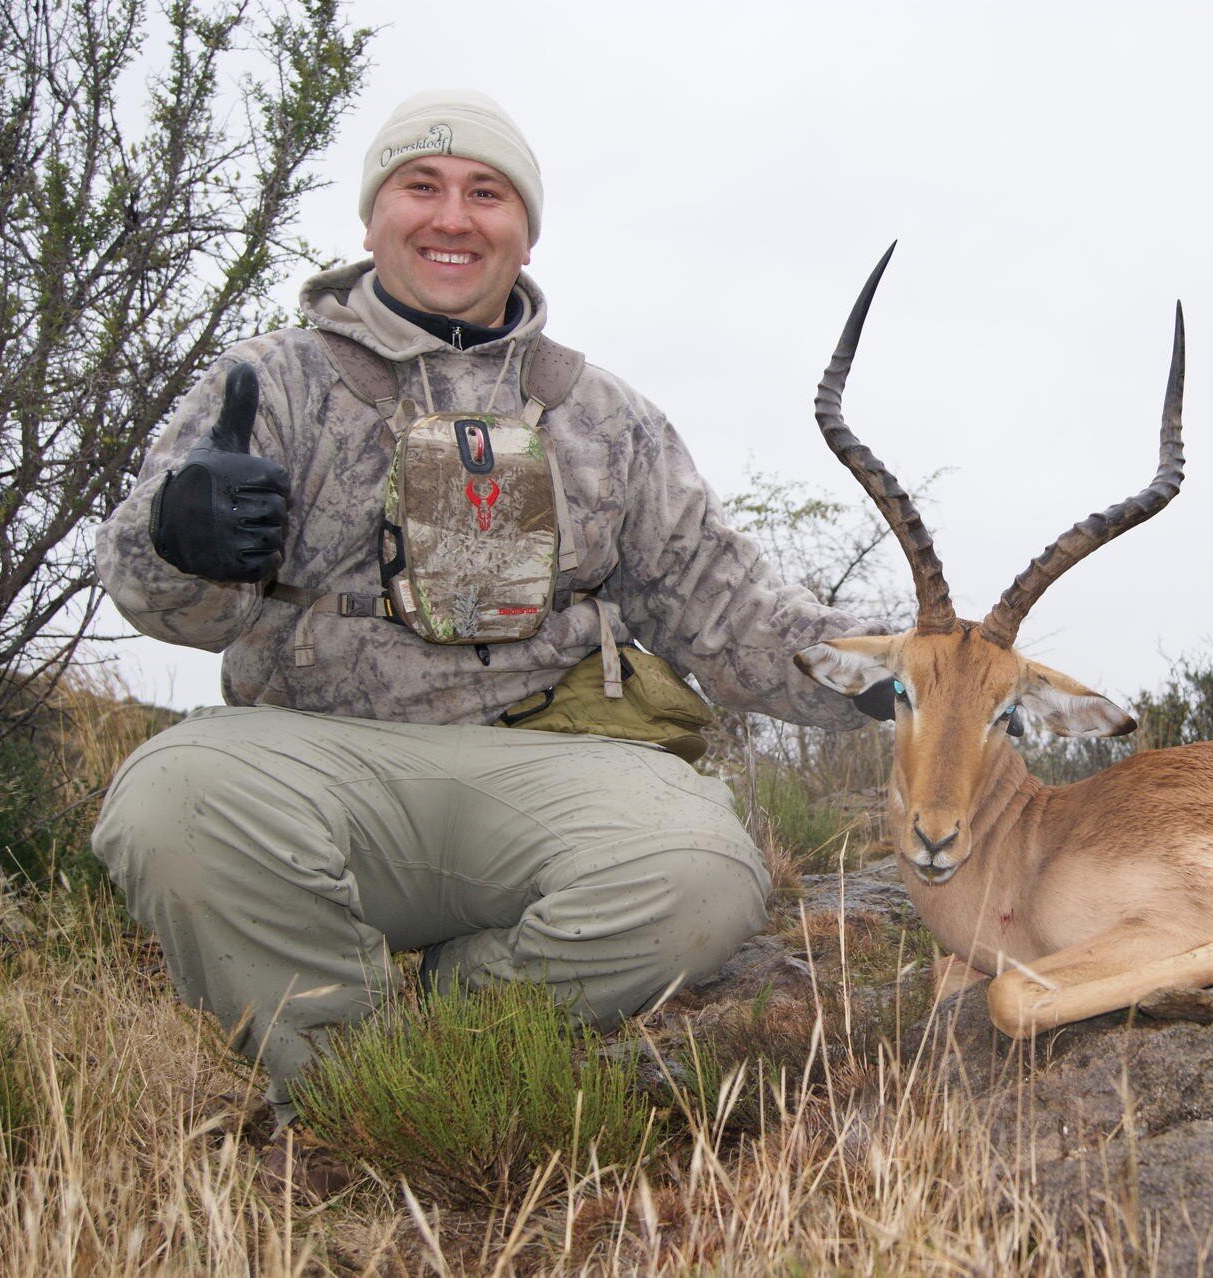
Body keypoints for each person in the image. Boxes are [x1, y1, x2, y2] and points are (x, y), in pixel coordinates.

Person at [90, 90, 879, 1126]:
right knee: (168, 798)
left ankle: (462, 1027)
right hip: (319, 764)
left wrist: (901, 671)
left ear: (525, 228)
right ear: (374, 217)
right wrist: (175, 540)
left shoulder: (605, 415)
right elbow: (174, 611)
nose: (452, 218)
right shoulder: (272, 381)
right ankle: (342, 1082)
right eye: (421, 187)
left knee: (703, 873)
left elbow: (726, 610)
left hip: (548, 771)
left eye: (487, 193)